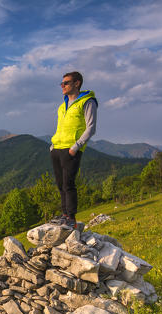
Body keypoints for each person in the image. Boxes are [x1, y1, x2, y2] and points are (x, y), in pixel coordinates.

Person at [50, 71, 97, 229]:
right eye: (62, 83)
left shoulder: (87, 102)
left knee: (68, 184)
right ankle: (64, 215)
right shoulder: (62, 106)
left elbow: (91, 128)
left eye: (66, 83)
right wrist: (53, 146)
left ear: (77, 83)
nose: (62, 86)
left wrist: (75, 147)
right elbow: (60, 127)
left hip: (71, 149)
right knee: (60, 184)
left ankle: (71, 218)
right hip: (57, 148)